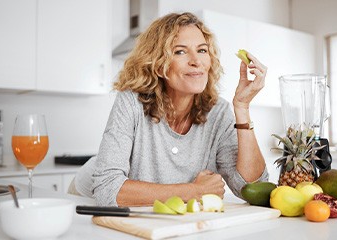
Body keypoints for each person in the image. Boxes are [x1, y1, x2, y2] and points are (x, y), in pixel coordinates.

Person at [72, 12, 268, 207]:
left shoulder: (218, 112)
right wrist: (194, 191)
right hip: (86, 196)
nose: (196, 61)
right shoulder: (131, 102)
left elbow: (253, 189)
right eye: (180, 52)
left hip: (154, 209)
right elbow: (107, 189)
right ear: (158, 65)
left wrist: (242, 108)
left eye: (202, 50)